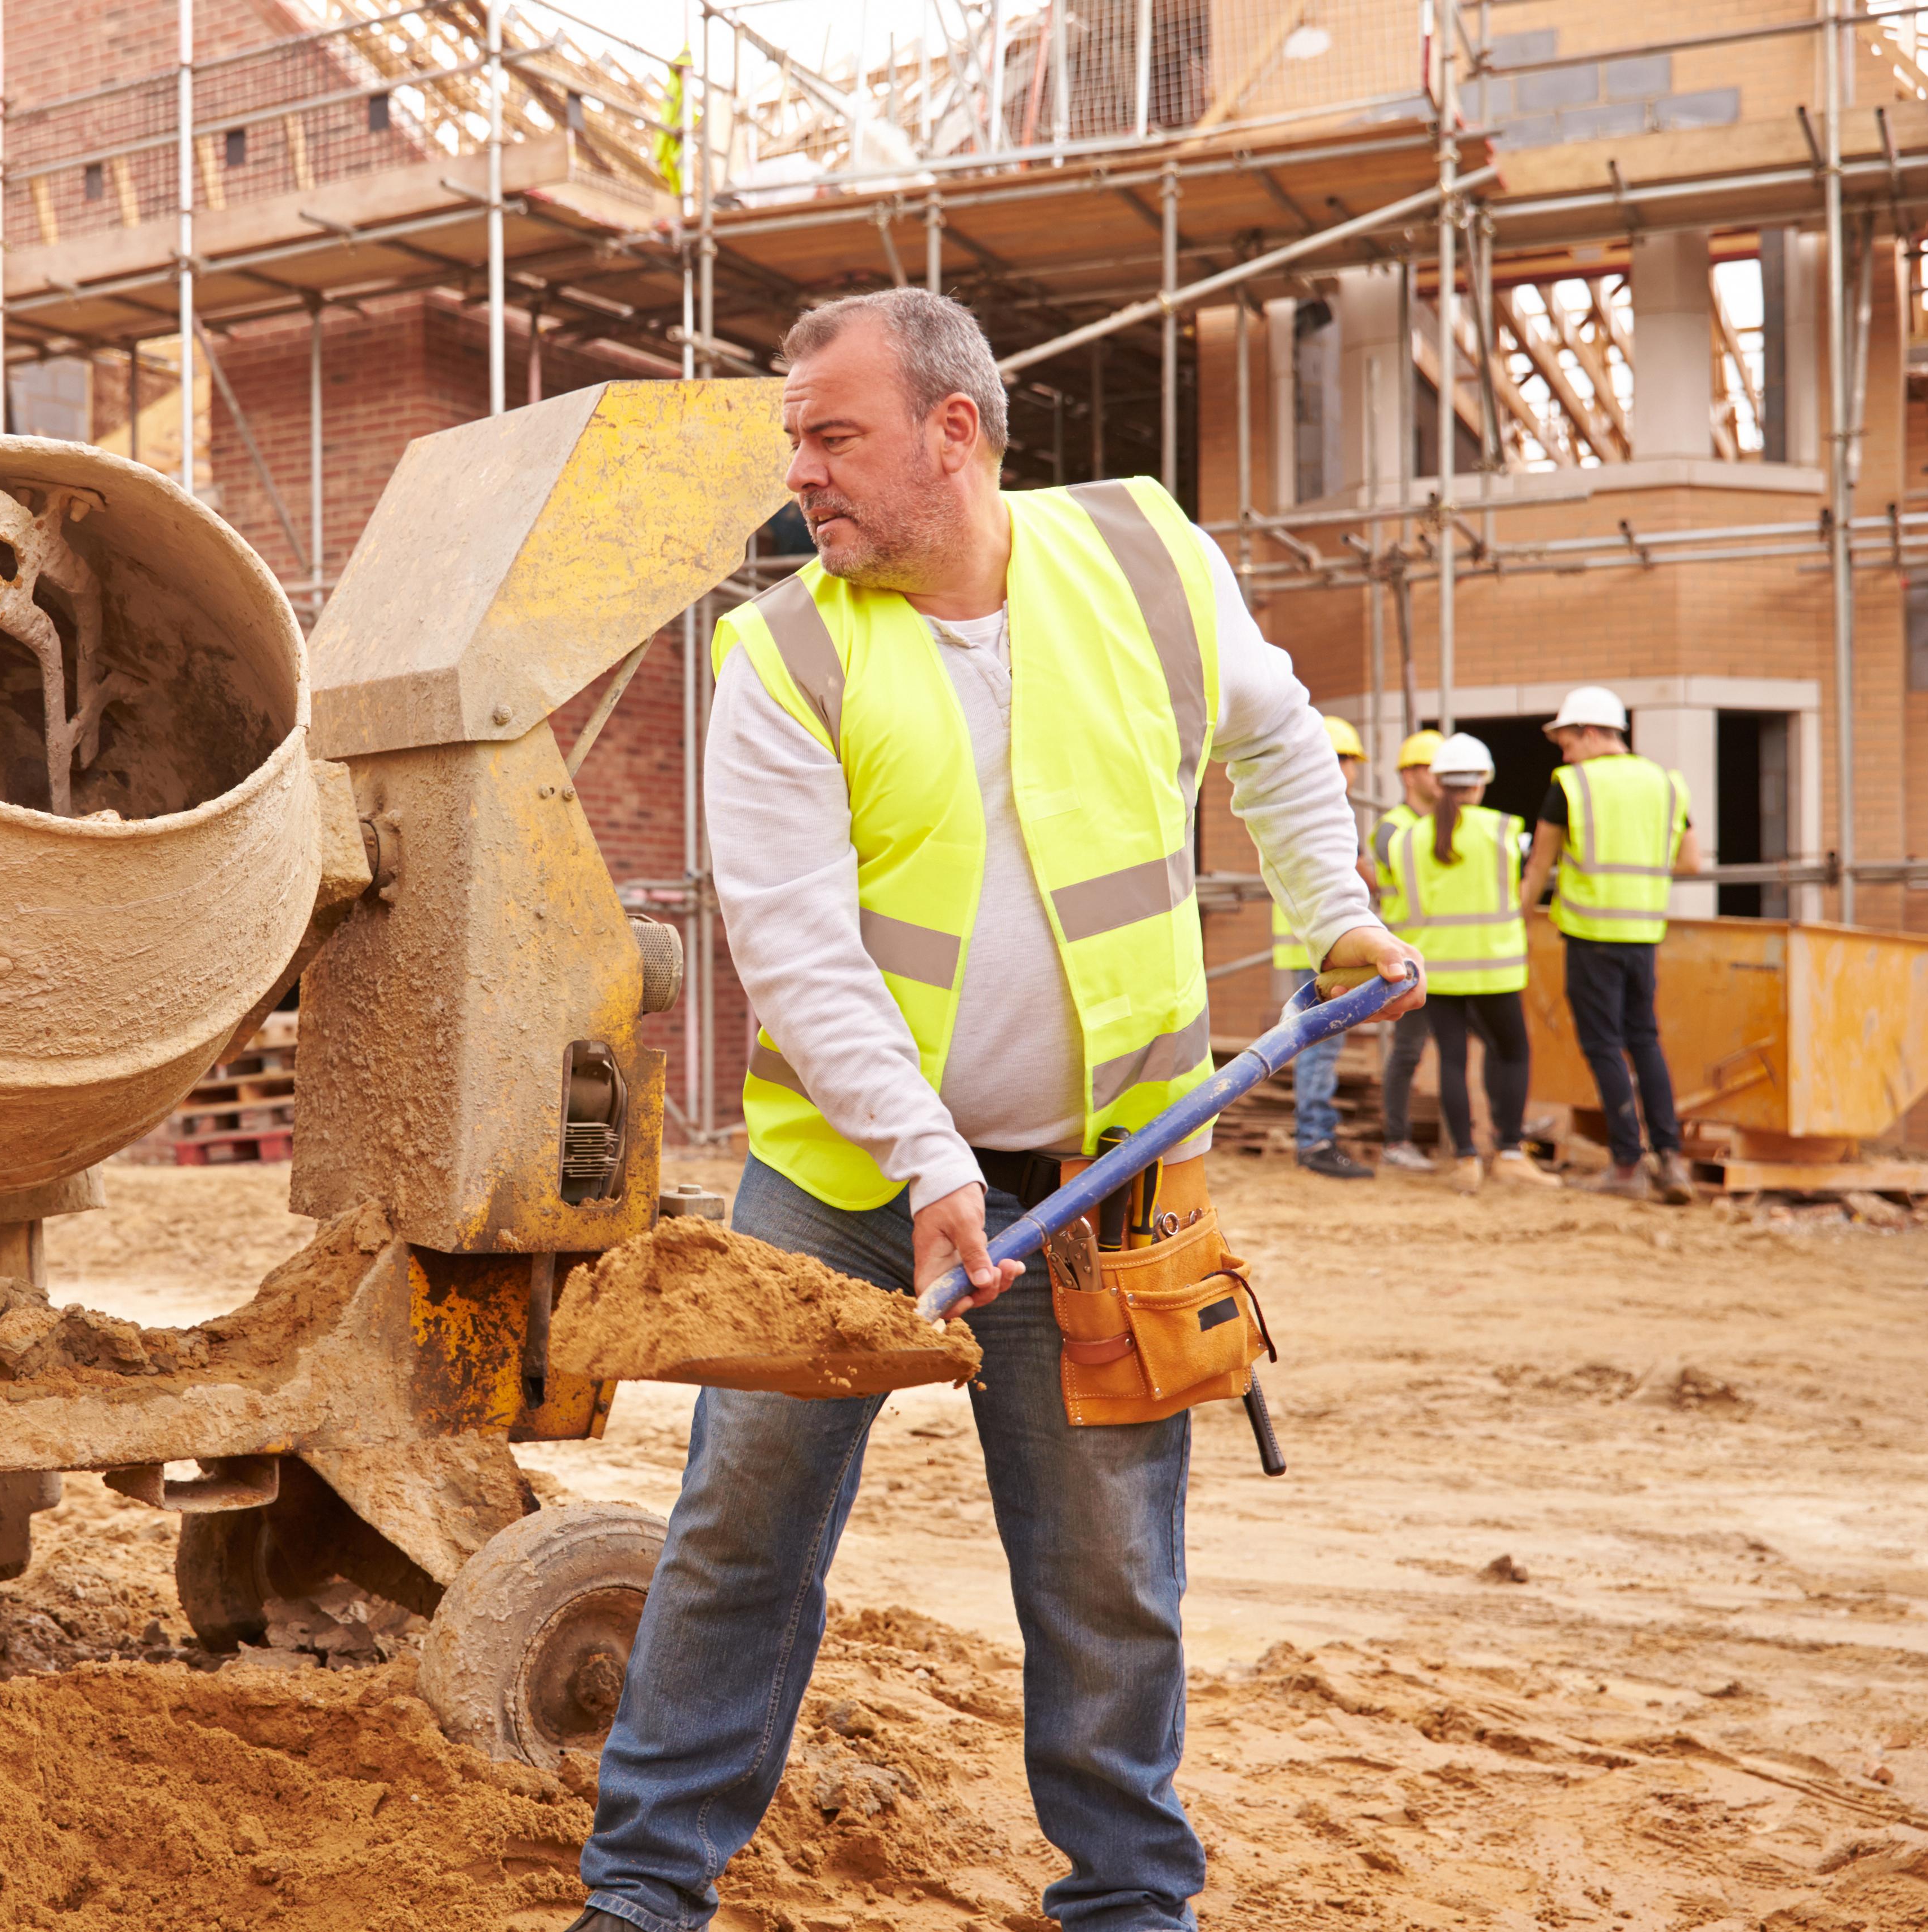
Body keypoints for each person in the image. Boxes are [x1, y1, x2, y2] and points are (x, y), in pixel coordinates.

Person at [566, 288, 1422, 1932]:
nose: (797, 473)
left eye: (830, 434)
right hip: (842, 1179)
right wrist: (926, 1159)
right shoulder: (785, 654)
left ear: (951, 431)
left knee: (1105, 1570)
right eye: (791, 441)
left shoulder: (1143, 562)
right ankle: (644, 1889)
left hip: (1106, 1177)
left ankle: (1123, 1901)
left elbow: (1278, 736)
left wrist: (1334, 912)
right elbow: (799, 955)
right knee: (738, 1530)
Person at [1519, 685, 1705, 1203]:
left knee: (1603, 1047)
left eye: (1566, 740)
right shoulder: (1665, 783)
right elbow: (1691, 862)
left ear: (1590, 732)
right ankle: (1669, 1159)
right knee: (1644, 1040)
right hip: (1644, 934)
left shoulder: (1572, 784)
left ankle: (1626, 1164)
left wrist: (1517, 913)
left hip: (1590, 935)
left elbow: (1539, 864)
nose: (1563, 751)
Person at [1382, 733, 1560, 1193]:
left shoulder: (1406, 840)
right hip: (1494, 964)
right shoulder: (1503, 830)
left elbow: (1394, 904)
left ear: (1437, 781)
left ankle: (1464, 1158)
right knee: (1511, 1052)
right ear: (1482, 781)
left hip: (1437, 966)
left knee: (1452, 1060)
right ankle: (1508, 1151)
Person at [1272, 712, 1377, 1179]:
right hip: (1322, 946)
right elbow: (1359, 873)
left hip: (1310, 943)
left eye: (1348, 761)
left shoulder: (1295, 806)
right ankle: (1314, 1138)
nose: (1346, 771)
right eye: (1342, 759)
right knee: (1320, 1047)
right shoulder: (1331, 812)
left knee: (1316, 1046)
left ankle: (1314, 1134)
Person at [1373, 731, 1443, 1175]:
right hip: (1409, 957)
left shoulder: (1447, 825)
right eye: (1435, 770)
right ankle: (1395, 1140)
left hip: (1453, 956)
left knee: (1464, 1050)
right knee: (1407, 1051)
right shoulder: (1393, 828)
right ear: (1410, 774)